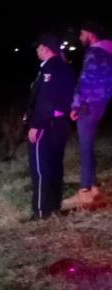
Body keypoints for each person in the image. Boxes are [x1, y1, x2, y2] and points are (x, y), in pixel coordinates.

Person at [26, 34, 76, 219]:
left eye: (38, 48)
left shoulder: (50, 68)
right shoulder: (65, 67)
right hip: (61, 124)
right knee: (55, 166)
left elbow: (45, 100)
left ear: (46, 48)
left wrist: (36, 125)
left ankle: (41, 211)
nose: (37, 51)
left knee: (41, 168)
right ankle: (54, 207)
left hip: (46, 125)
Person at [64, 21, 112, 208]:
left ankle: (85, 191)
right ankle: (93, 187)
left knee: (85, 147)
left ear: (91, 34)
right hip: (101, 103)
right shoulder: (108, 52)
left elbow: (85, 80)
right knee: (89, 145)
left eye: (82, 33)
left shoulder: (94, 53)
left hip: (88, 105)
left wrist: (75, 105)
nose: (80, 37)